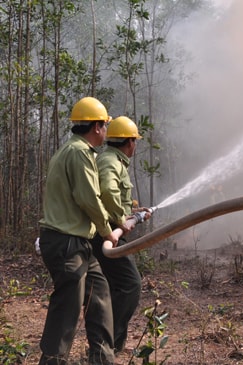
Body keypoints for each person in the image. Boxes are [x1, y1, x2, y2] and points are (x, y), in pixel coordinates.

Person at [38, 97, 127, 364]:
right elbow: (88, 198)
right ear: (97, 127)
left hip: (78, 244)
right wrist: (109, 230)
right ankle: (52, 360)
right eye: (104, 126)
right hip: (67, 244)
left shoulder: (71, 149)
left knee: (99, 296)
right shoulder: (79, 152)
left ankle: (102, 358)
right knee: (67, 307)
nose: (106, 131)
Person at [91, 116, 150, 353]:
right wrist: (120, 221)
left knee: (115, 286)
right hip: (104, 236)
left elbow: (111, 197)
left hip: (109, 233)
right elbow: (106, 191)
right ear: (129, 142)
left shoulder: (114, 160)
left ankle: (109, 344)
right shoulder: (110, 162)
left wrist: (134, 212)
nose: (135, 145)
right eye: (135, 140)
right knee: (129, 284)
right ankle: (109, 344)